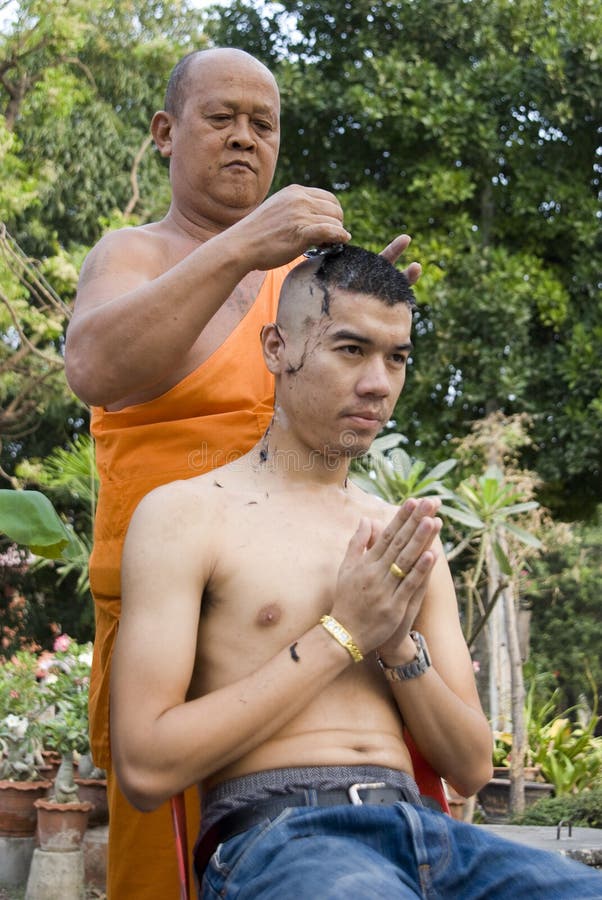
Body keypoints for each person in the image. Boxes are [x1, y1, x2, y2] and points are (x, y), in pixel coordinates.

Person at [111, 245, 602, 899]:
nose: (379, 383)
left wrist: (398, 647)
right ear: (276, 349)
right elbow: (144, 767)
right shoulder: (186, 516)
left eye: (396, 358)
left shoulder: (400, 537)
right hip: (285, 840)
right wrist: (343, 632)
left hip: (435, 840)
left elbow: (472, 766)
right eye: (351, 350)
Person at [65, 48, 419, 897]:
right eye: (220, 117)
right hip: (164, 607)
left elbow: (333, 429)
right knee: (165, 861)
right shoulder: (136, 253)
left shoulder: (295, 288)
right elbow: (95, 368)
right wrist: (239, 249)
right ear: (165, 132)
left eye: (263, 125)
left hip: (292, 601)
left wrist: (354, 338)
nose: (243, 139)